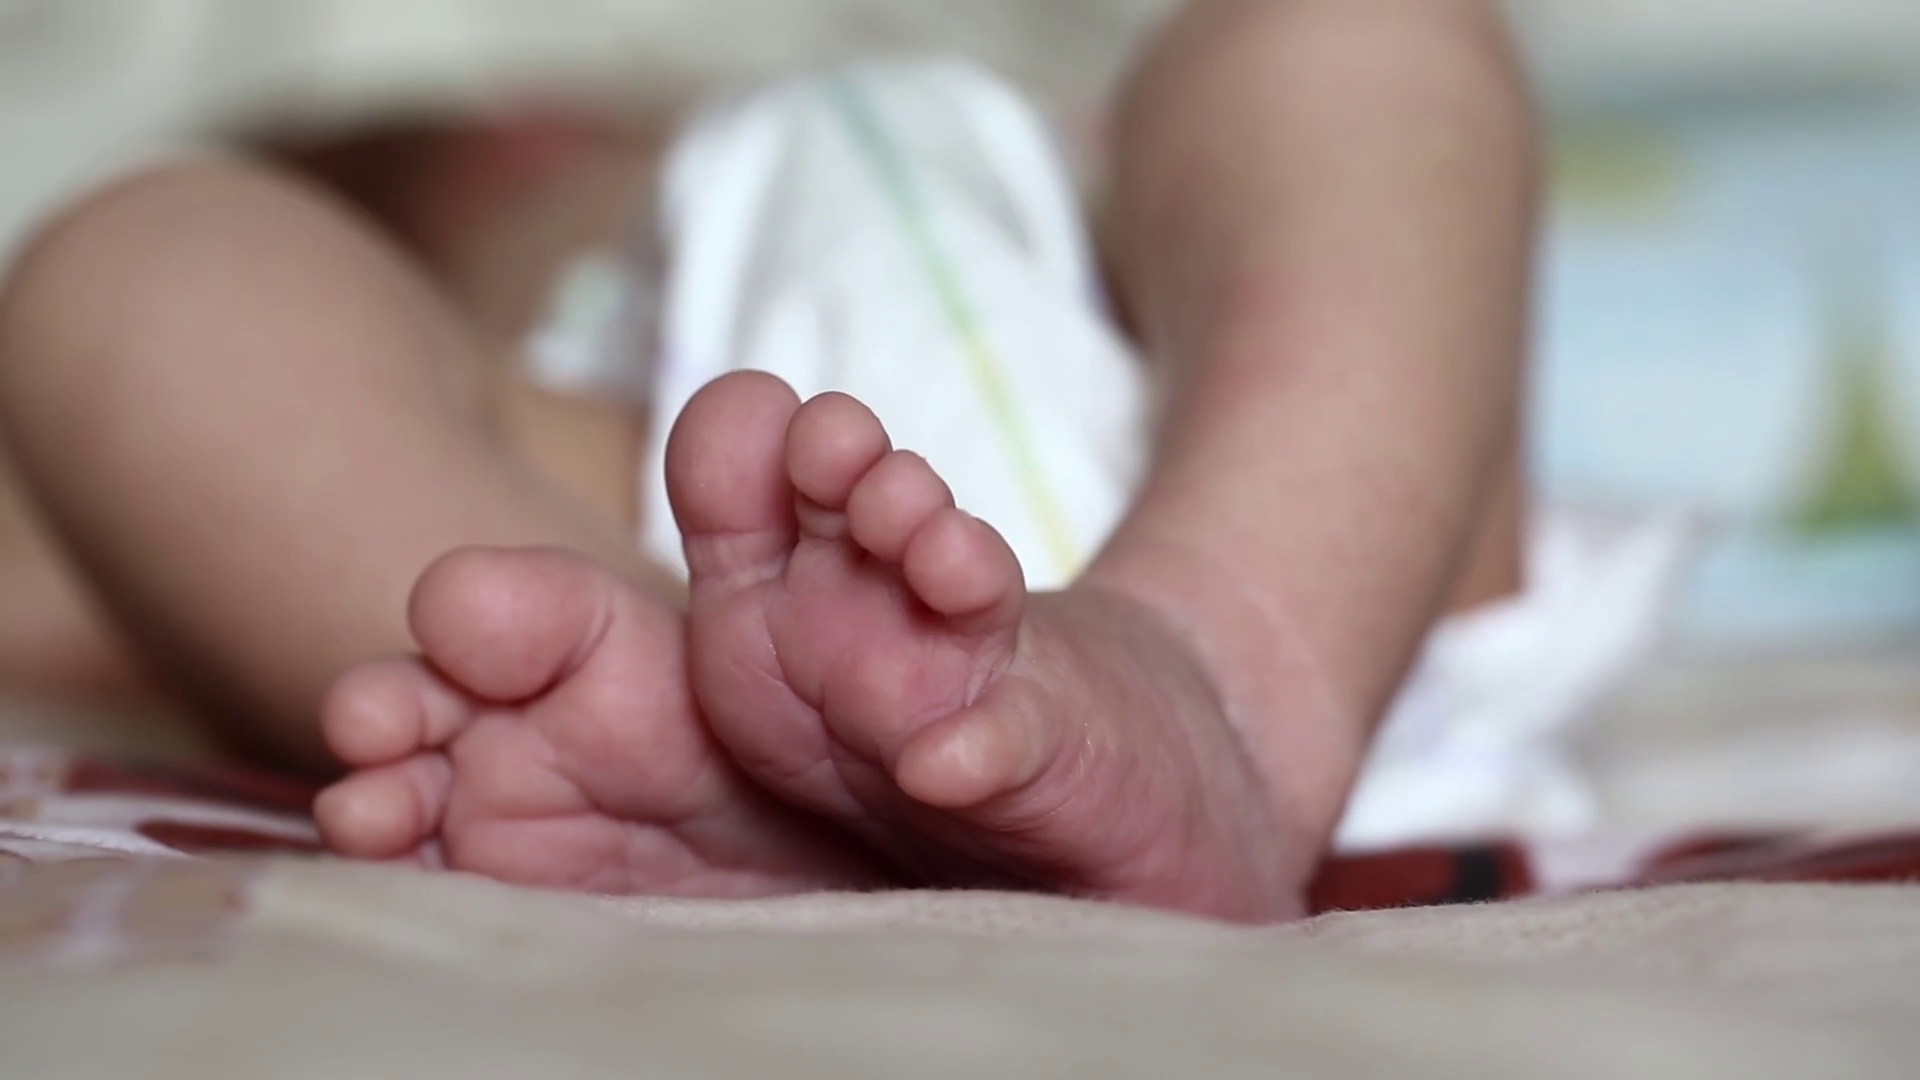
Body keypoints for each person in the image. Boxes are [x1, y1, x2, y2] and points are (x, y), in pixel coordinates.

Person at [0, 0, 1535, 922]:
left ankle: (1230, 652)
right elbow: (121, 550)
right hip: (626, 528)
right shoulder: (513, 336)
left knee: (1332, 48)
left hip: (1248, 456)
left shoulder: (1059, 156)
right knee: (124, 268)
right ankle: (686, 747)